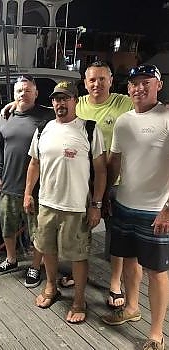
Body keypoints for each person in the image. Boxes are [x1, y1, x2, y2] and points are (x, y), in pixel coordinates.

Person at [24, 81, 107, 323]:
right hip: (47, 203)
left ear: (75, 101)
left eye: (66, 98)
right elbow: (34, 164)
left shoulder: (89, 130)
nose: (60, 103)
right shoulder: (43, 129)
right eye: (56, 99)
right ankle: (51, 286)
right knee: (47, 248)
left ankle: (79, 300)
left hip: (76, 207)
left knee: (78, 255)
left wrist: (97, 204)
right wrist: (28, 192)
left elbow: (101, 171)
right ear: (52, 103)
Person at [101, 64, 169, 350]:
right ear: (127, 88)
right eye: (134, 84)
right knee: (129, 261)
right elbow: (115, 161)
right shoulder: (123, 121)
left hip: (156, 210)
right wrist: (106, 195)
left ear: (158, 85)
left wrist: (168, 209)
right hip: (124, 204)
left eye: (146, 82)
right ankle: (131, 308)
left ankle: (156, 334)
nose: (139, 88)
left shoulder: (167, 117)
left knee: (157, 272)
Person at [75, 61, 134, 308]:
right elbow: (49, 113)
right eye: (92, 80)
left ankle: (115, 283)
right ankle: (77, 272)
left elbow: (154, 108)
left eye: (102, 79)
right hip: (84, 182)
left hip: (118, 182)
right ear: (85, 83)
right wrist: (14, 104)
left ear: (111, 80)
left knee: (116, 234)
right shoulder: (77, 105)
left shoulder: (123, 103)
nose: (97, 84)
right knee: (80, 230)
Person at [0, 74, 54, 289]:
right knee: (7, 226)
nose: (23, 94)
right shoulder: (4, 117)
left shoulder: (47, 115)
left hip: (35, 187)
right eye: (19, 90)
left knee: (37, 231)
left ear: (36, 93)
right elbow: (0, 148)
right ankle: (11, 259)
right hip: (8, 183)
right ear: (13, 93)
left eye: (28, 90)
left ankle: (35, 266)